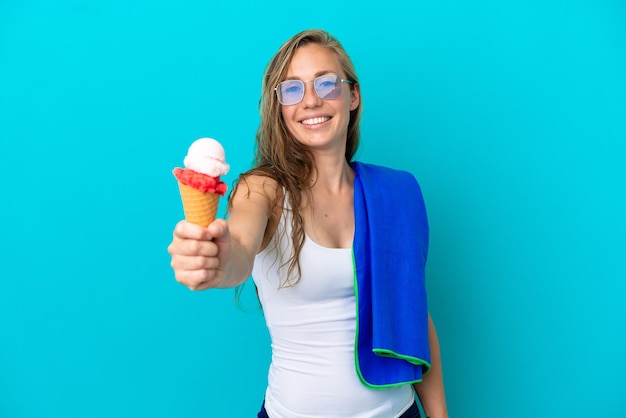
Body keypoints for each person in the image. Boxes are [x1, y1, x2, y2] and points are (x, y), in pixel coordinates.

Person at [168, 29, 448, 418]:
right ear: (279, 107)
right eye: (293, 89)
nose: (311, 99)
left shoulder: (396, 193)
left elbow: (414, 315)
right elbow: (240, 250)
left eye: (327, 83)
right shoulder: (261, 190)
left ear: (353, 96)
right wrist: (216, 260)